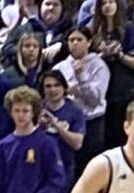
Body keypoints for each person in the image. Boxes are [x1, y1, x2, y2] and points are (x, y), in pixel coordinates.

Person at [54, 25, 110, 168]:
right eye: (71, 40)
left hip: (92, 122)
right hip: (67, 123)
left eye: (79, 39)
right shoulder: (60, 67)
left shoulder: (99, 66)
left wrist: (81, 80)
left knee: (89, 166)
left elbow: (96, 100)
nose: (75, 43)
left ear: (89, 42)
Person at [90, 0, 134, 149]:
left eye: (111, 1)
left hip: (123, 88)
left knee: (121, 135)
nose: (108, 6)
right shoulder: (93, 29)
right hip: (101, 89)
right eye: (104, 2)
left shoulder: (129, 28)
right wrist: (100, 55)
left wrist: (119, 54)